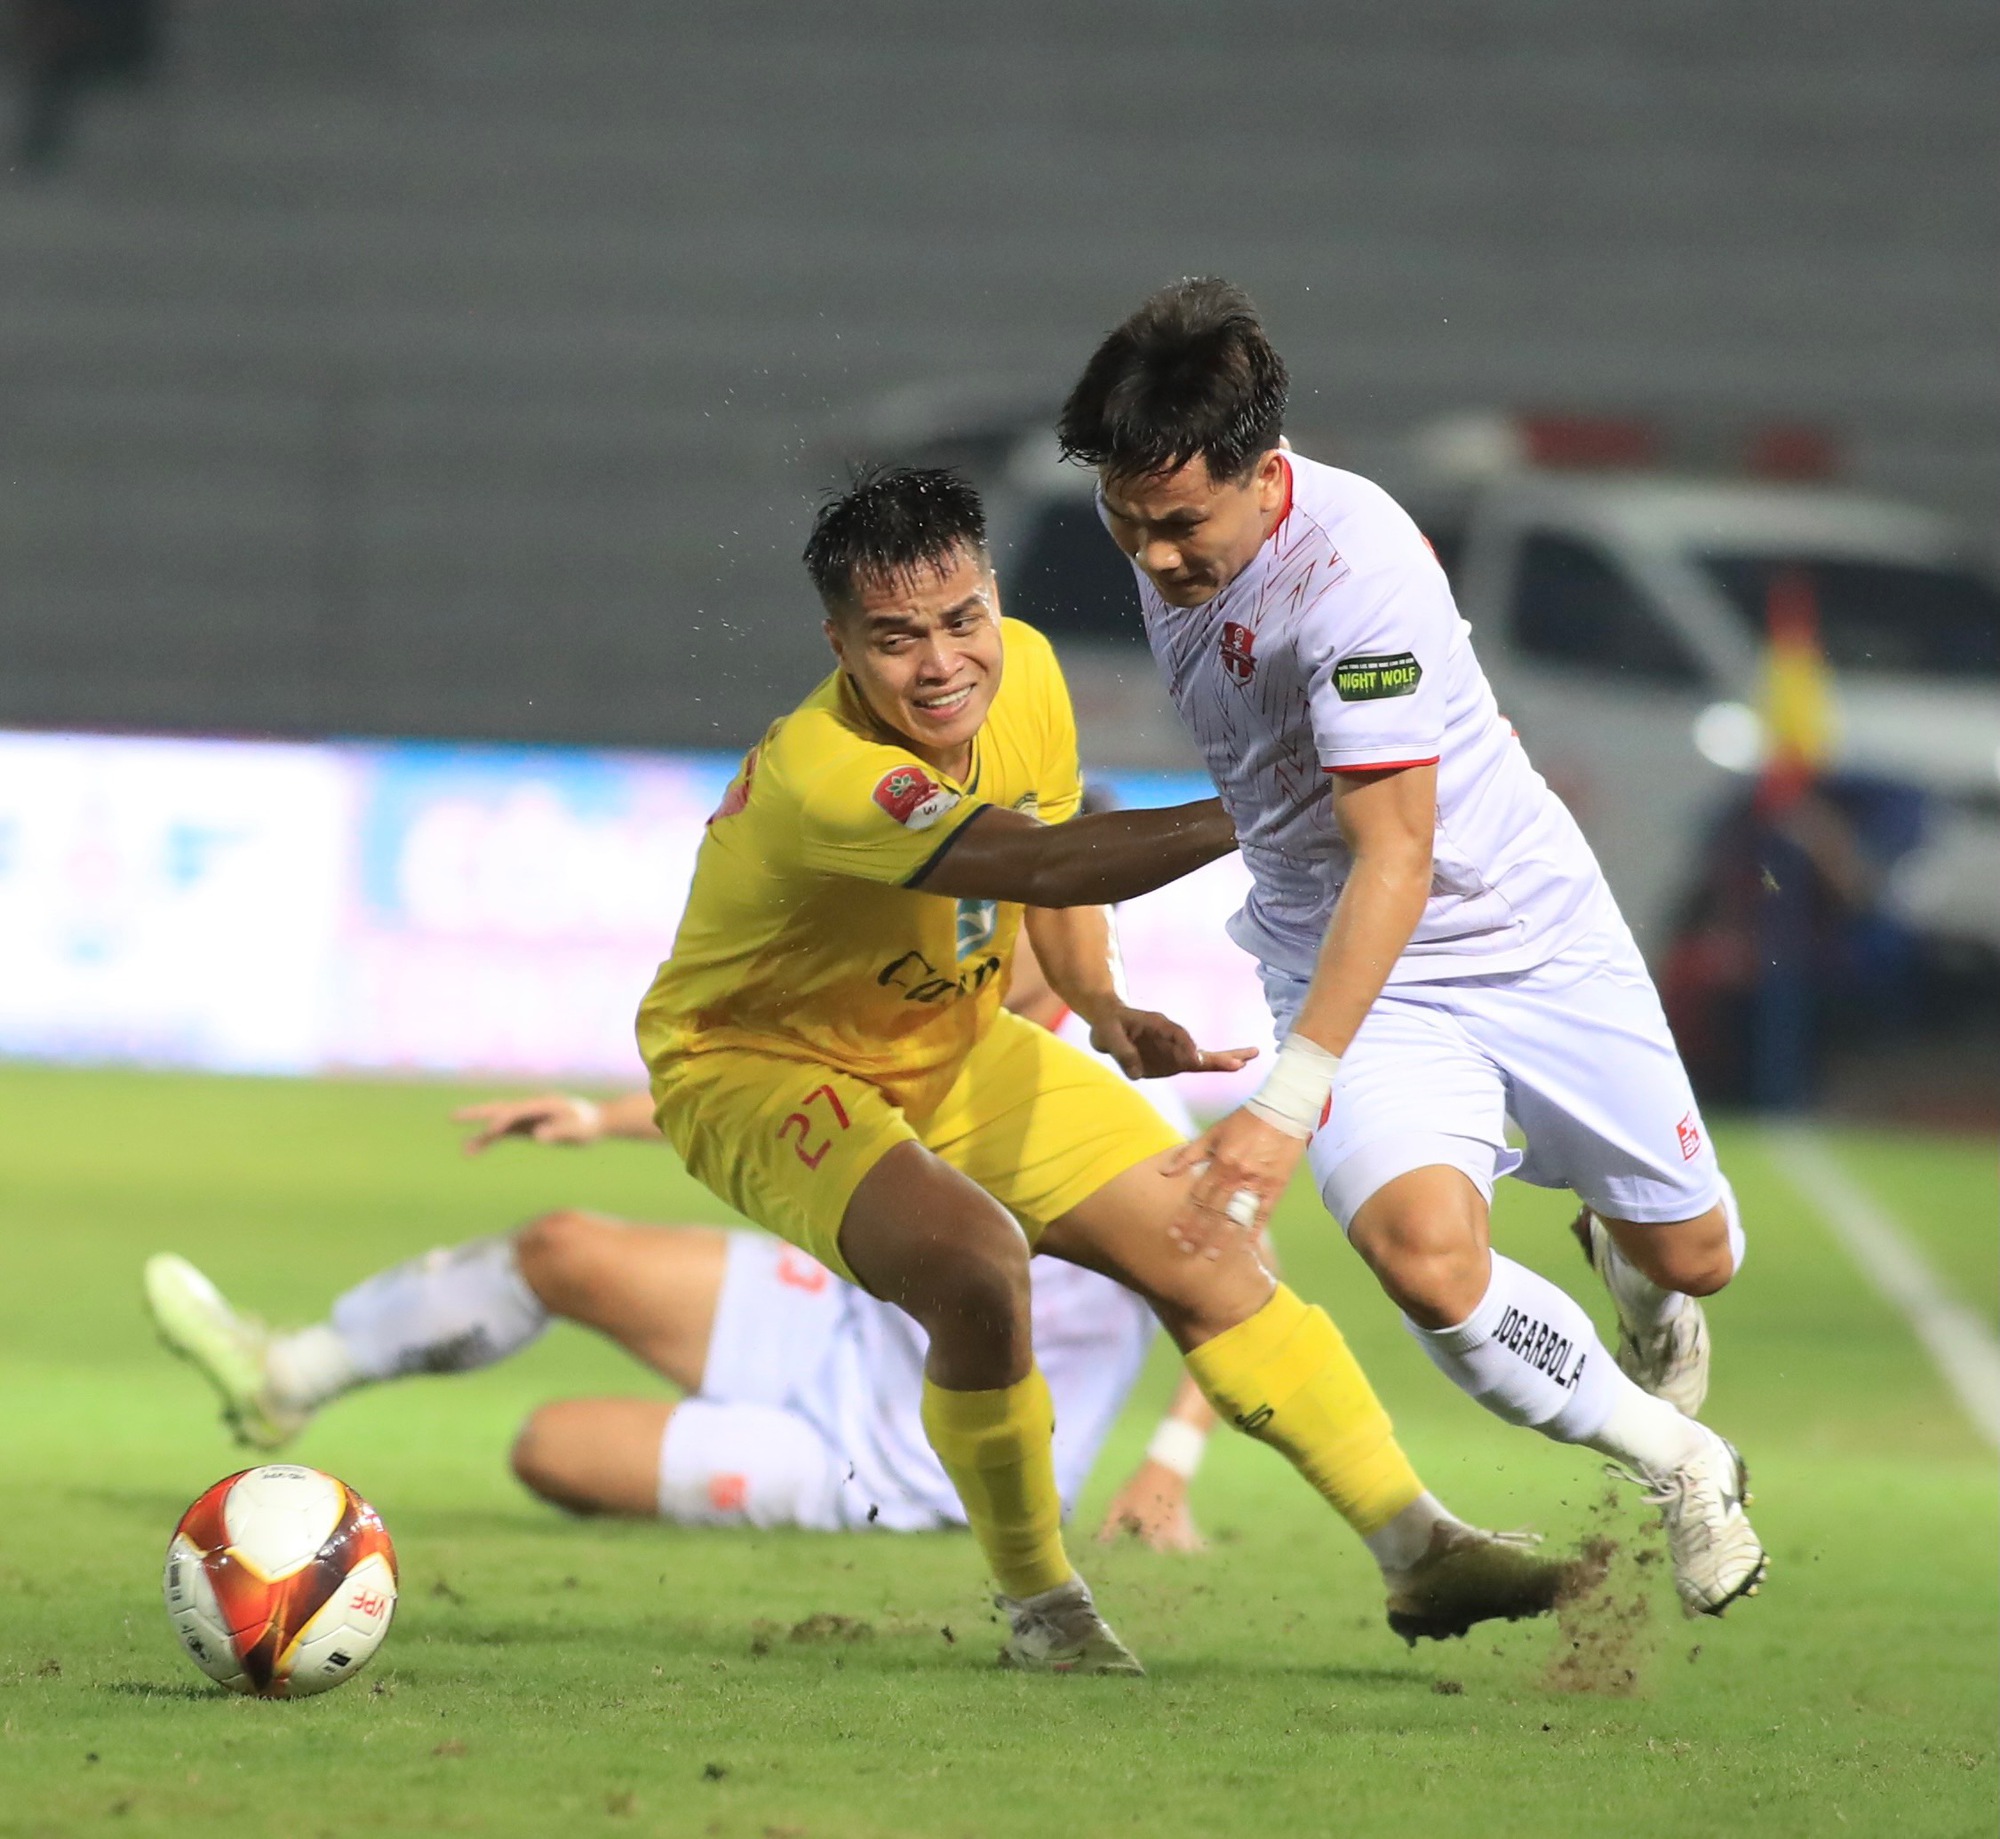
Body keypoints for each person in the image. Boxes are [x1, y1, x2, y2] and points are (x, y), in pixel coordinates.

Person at [626, 464, 1567, 1671]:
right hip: (754, 1065)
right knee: (974, 1264)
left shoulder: (1024, 670)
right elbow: (1049, 863)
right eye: (896, 639)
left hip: (946, 1041)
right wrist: (1274, 798)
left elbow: (1046, 864)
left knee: (1203, 1242)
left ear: (991, 596)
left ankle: (1418, 1548)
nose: (942, 664)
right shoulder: (830, 774)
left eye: (960, 619)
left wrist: (1102, 1002)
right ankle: (1043, 1608)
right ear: (839, 646)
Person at [1055, 280, 1767, 1618]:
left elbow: (1396, 853)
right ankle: (1682, 1462)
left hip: (1522, 936)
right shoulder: (1175, 525)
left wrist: (1283, 1104)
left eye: (1179, 525)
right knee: (1423, 1256)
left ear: (1264, 473)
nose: (1149, 555)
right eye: (1123, 518)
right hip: (1343, 963)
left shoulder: (1354, 577)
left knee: (1695, 1259)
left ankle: (1636, 1264)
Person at [141, 1079, 1209, 1552]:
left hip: (904, 1461)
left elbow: (1227, 1282)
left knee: (548, 1448)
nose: (981, 915)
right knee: (560, 1244)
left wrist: (1165, 1469)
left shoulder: (1125, 1115)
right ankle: (290, 1376)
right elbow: (778, 1097)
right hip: (845, 1326)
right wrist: (597, 1118)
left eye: (1014, 902)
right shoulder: (951, 1015)